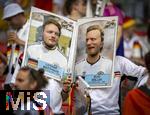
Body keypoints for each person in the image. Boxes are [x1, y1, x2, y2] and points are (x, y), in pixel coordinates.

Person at [75, 25, 147, 114]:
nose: (89, 42)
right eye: (87, 40)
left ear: (102, 43)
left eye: (93, 39)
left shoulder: (120, 62)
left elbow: (144, 72)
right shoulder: (77, 66)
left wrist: (136, 91)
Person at [27, 19, 68, 114]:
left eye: (56, 34)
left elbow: (64, 97)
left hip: (54, 112)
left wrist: (66, 90)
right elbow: (15, 83)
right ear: (42, 33)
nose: (53, 35)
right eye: (50, 32)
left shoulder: (64, 60)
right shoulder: (30, 50)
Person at [2, 3, 30, 86]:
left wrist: (19, 41)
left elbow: (39, 50)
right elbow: (10, 62)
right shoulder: (13, 32)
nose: (8, 23)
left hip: (23, 81)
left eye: (9, 20)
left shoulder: (33, 28)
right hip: (9, 81)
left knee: (24, 99)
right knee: (9, 99)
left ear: (17, 15)